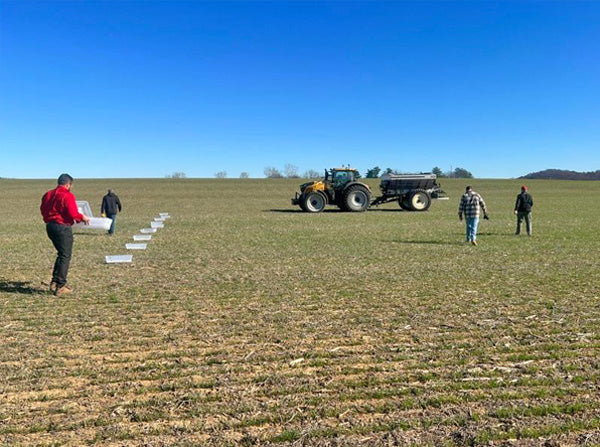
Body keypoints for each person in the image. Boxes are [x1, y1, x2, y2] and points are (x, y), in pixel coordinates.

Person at [40, 174, 90, 296]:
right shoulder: (67, 195)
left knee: (61, 254)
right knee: (65, 256)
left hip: (50, 226)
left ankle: (54, 281)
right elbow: (73, 213)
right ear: (68, 184)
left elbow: (43, 209)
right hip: (62, 227)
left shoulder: (48, 194)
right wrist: (82, 217)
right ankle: (60, 286)